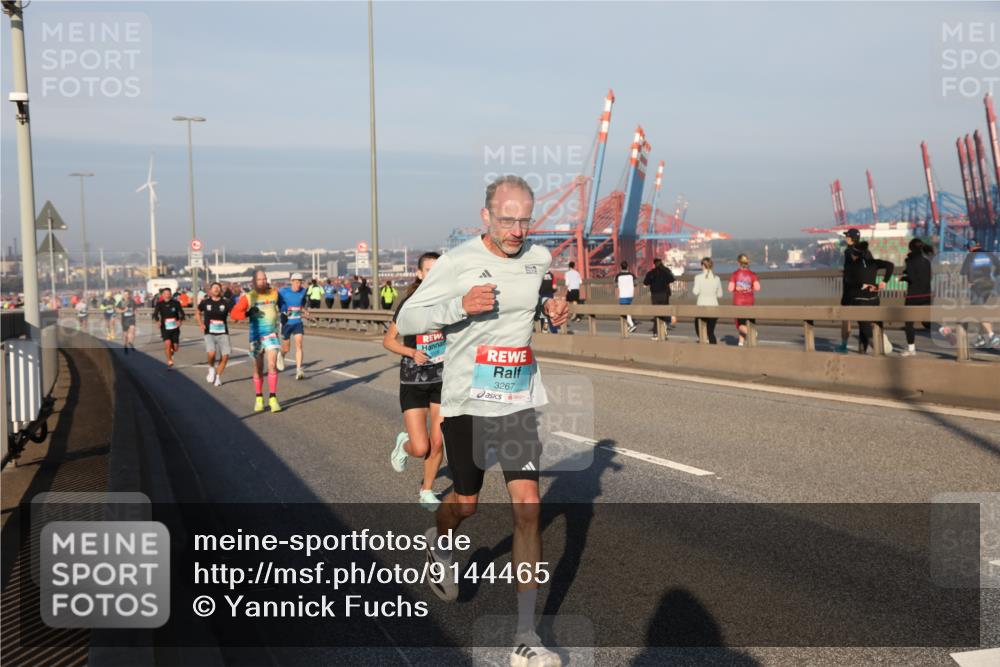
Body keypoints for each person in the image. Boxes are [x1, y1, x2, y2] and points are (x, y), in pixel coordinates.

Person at [396, 175, 567, 666]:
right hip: (468, 401)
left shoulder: (538, 259)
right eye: (507, 218)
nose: (517, 229)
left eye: (525, 219)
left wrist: (550, 310)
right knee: (466, 505)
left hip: (516, 399)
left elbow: (529, 304)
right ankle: (439, 539)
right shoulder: (458, 261)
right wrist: (458, 305)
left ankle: (526, 638)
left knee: (529, 507)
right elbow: (409, 318)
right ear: (486, 216)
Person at [384, 252, 445, 511]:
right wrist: (411, 352)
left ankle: (427, 490)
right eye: (429, 270)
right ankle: (403, 443)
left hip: (443, 379)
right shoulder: (409, 304)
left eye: (438, 269)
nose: (433, 274)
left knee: (439, 440)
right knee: (421, 447)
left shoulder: (450, 301)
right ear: (419, 274)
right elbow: (388, 341)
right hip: (414, 381)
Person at [231, 270, 283, 413]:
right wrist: (248, 313)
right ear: (254, 282)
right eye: (260, 279)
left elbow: (283, 304)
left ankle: (273, 398)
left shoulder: (274, 293)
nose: (263, 281)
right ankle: (259, 397)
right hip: (256, 337)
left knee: (272, 365)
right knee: (258, 369)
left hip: (271, 334)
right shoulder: (249, 297)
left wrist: (285, 312)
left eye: (265, 278)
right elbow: (234, 313)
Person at [843, 241, 893, 354]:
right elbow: (890, 265)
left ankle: (881, 348)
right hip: (874, 300)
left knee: (865, 327)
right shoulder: (873, 262)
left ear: (855, 253)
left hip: (859, 301)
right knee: (868, 325)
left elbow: (849, 283)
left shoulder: (852, 266)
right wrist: (884, 282)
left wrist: (863, 285)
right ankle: (863, 350)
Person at [836, 229, 873, 353]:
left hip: (851, 290)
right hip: (865, 290)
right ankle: (863, 347)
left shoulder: (849, 251)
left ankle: (843, 346)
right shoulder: (867, 252)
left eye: (847, 236)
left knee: (846, 318)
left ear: (851, 238)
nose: (845, 238)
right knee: (863, 319)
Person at [960, 239, 1000, 348]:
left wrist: (967, 284)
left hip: (977, 286)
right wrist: (994, 276)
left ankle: (992, 336)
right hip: (989, 286)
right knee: (980, 311)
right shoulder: (989, 254)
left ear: (971, 247)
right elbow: (999, 267)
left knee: (979, 312)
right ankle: (980, 338)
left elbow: (964, 273)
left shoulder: (970, 256)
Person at [900, 239, 934, 357]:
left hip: (913, 296)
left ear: (911, 248)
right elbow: (928, 277)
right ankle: (946, 332)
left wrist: (903, 278)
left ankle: (911, 349)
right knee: (926, 322)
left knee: (909, 323)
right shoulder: (927, 261)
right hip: (926, 295)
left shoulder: (910, 261)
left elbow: (912, 278)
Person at [195, 281, 232, 387]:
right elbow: (197, 312)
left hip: (223, 332)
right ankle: (211, 368)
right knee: (212, 353)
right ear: (210, 290)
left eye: (218, 288)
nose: (216, 289)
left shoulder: (226, 302)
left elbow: (233, 313)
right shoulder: (205, 302)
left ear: (221, 290)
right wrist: (200, 324)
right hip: (209, 332)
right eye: (214, 288)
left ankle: (218, 377)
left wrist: (236, 317)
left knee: (225, 356)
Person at [278, 272, 310, 380]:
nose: (298, 285)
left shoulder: (303, 291)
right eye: (296, 282)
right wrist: (283, 310)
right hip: (286, 322)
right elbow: (277, 303)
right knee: (286, 348)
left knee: (299, 345)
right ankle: (281, 355)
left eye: (300, 282)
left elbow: (302, 303)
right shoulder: (283, 292)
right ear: (291, 282)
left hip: (297, 322)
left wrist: (305, 311)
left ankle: (299, 369)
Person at [727, 254, 761, 347]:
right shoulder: (753, 274)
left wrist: (737, 289)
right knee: (749, 322)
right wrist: (750, 287)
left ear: (738, 263)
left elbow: (730, 289)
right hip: (750, 302)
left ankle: (752, 333)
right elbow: (758, 288)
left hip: (739, 302)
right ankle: (741, 342)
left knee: (740, 324)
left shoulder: (735, 274)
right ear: (748, 262)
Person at [643, 257, 676, 339]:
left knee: (657, 314)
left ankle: (656, 333)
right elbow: (672, 279)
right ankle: (664, 333)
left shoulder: (651, 273)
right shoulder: (666, 271)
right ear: (661, 263)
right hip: (664, 294)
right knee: (664, 313)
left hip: (655, 296)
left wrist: (652, 280)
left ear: (654, 264)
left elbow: (645, 282)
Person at [152, 287, 185, 368]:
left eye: (169, 293)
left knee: (175, 348)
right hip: (165, 327)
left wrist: (180, 320)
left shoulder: (176, 303)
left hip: (175, 328)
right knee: (167, 343)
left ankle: (172, 351)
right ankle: (169, 361)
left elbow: (182, 313)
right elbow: (155, 314)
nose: (167, 295)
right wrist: (157, 321)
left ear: (171, 294)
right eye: (165, 294)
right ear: (162, 295)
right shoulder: (160, 304)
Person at [692, 257, 722, 344]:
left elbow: (695, 292)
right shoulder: (717, 278)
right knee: (710, 332)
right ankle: (713, 349)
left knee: (700, 331)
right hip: (714, 307)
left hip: (701, 307)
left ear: (702, 265)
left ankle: (704, 350)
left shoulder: (698, 277)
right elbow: (720, 295)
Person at [615, 260, 637, 334]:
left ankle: (632, 325)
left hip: (623, 295)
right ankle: (629, 325)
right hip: (630, 295)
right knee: (627, 310)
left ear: (620, 267)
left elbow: (616, 286)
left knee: (624, 312)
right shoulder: (632, 275)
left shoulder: (618, 276)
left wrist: (617, 296)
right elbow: (636, 284)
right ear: (627, 267)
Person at [116, 289, 137, 354]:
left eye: (127, 294)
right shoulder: (121, 302)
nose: (126, 296)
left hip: (131, 318)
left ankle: (130, 342)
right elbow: (117, 310)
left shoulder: (132, 301)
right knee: (125, 334)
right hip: (124, 319)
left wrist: (135, 311)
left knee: (132, 329)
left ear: (129, 295)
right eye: (125, 294)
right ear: (123, 295)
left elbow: (135, 309)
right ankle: (125, 345)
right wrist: (123, 311)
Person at [538, 269, 558, 333]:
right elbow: (554, 287)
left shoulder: (540, 274)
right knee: (551, 312)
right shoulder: (551, 275)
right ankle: (554, 330)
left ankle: (543, 329)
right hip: (550, 295)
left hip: (542, 295)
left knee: (542, 312)